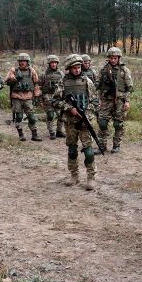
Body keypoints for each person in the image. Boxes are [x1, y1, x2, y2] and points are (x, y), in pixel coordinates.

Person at [52, 55, 99, 190]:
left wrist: (87, 116)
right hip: (70, 122)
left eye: (79, 67)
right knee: (72, 150)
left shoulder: (87, 82)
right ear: (69, 69)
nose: (77, 70)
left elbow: (95, 102)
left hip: (85, 123)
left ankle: (91, 177)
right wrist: (69, 108)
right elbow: (55, 101)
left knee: (89, 152)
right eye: (74, 68)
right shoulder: (63, 83)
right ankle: (74, 176)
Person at [96, 47, 133, 154]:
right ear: (108, 58)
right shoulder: (103, 70)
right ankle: (101, 146)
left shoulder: (124, 70)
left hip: (120, 101)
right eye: (111, 58)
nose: (113, 60)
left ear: (119, 58)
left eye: (115, 58)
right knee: (102, 123)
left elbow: (129, 87)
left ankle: (116, 145)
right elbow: (98, 85)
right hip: (106, 100)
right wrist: (98, 99)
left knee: (118, 124)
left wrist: (127, 101)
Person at [5, 53, 42, 142]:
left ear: (27, 62)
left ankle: (34, 134)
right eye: (21, 61)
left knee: (32, 117)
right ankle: (21, 134)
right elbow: (6, 81)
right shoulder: (13, 70)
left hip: (28, 97)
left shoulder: (31, 71)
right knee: (19, 116)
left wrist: (37, 95)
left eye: (24, 61)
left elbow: (36, 83)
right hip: (16, 97)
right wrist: (12, 79)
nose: (22, 63)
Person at [39, 55, 65, 139]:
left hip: (58, 97)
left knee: (61, 115)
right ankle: (51, 132)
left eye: (55, 63)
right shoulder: (44, 74)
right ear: (49, 64)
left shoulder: (61, 74)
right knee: (50, 115)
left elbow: (64, 86)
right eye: (52, 63)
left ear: (57, 63)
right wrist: (40, 99)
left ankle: (59, 131)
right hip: (47, 97)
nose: (53, 64)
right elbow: (39, 87)